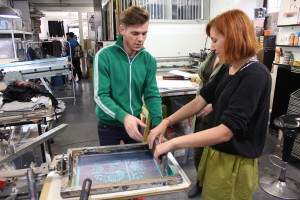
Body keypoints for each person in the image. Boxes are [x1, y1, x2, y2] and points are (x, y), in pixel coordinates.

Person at [148, 9, 271, 200]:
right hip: (215, 152)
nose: (212, 48)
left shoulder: (255, 75)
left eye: (215, 40)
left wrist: (174, 143)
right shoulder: (228, 69)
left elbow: (226, 131)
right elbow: (200, 101)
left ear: (233, 37)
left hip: (234, 162)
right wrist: (166, 122)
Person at [93, 6, 163, 146]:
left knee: (137, 165)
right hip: (109, 126)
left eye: (144, 33)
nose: (140, 39)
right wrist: (123, 117)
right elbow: (100, 96)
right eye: (135, 33)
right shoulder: (105, 56)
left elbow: (151, 94)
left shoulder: (148, 60)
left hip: (135, 123)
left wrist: (158, 124)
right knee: (112, 166)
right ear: (122, 30)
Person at [188, 51, 225, 198]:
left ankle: (210, 184)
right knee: (198, 152)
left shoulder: (238, 66)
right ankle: (200, 182)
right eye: (211, 39)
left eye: (216, 39)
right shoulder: (212, 55)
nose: (212, 45)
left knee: (215, 155)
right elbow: (206, 89)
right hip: (202, 111)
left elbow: (226, 92)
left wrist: (213, 105)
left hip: (219, 116)